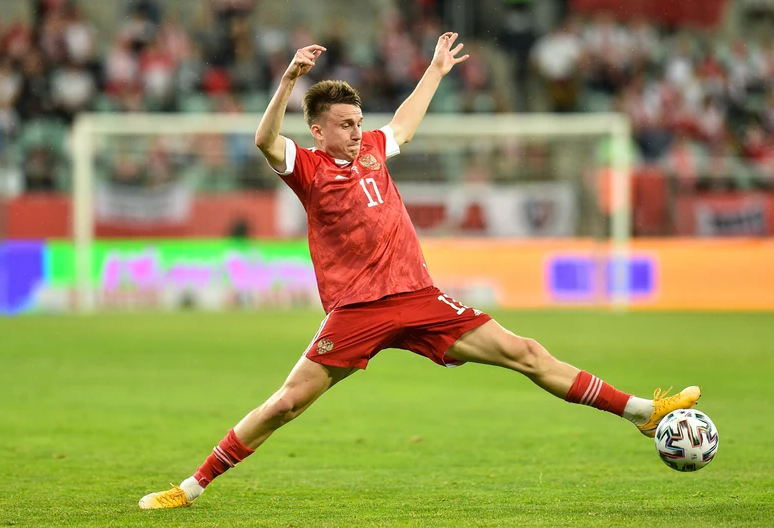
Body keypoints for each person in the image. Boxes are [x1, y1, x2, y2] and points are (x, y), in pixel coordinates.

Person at [139, 33, 700, 510]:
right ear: (318, 130)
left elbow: (404, 124)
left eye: (358, 122)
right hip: (357, 311)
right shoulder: (305, 168)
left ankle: (644, 413)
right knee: (286, 403)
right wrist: (288, 79)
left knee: (527, 353)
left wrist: (434, 70)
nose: (356, 131)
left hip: (418, 297)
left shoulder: (374, 150)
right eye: (344, 124)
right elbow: (264, 139)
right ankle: (189, 488)